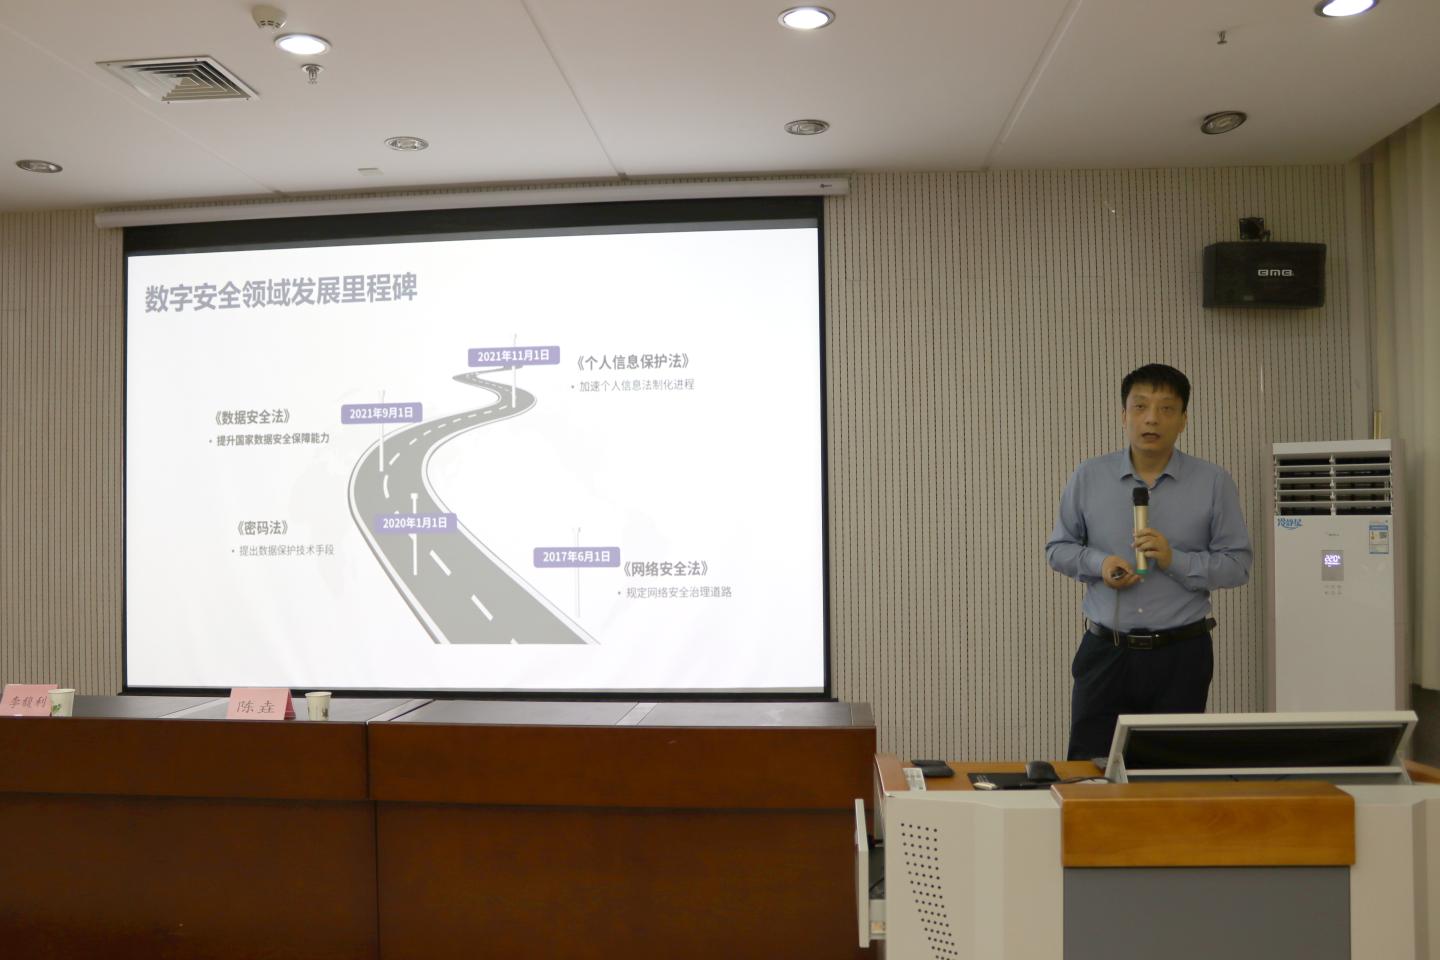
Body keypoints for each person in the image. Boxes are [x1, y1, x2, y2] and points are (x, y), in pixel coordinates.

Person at [1046, 363, 1252, 761]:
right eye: (1140, 406)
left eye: (1166, 408)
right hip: (1106, 651)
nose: (1152, 418)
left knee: (1169, 775)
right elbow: (1058, 548)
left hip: (1181, 655)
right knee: (1089, 772)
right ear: (1124, 416)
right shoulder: (1089, 476)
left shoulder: (1213, 482)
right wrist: (1100, 564)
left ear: (1184, 420)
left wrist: (1175, 560)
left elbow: (1237, 564)